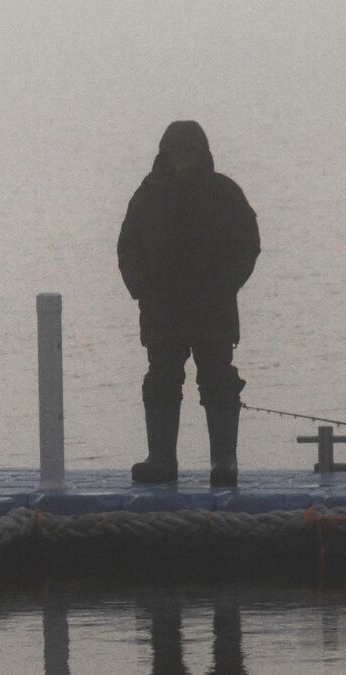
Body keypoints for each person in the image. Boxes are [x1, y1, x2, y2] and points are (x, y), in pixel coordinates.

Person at [117, 121, 260, 487]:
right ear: (165, 155)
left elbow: (248, 244)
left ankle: (224, 461)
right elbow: (127, 247)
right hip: (162, 311)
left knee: (219, 380)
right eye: (176, 152)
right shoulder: (147, 194)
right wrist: (142, 290)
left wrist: (225, 285)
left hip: (213, 309)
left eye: (189, 151)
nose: (183, 159)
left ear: (202, 154)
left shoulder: (226, 193)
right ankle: (161, 460)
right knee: (161, 379)